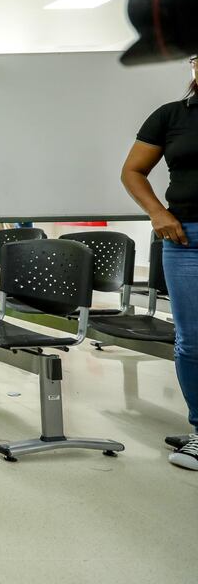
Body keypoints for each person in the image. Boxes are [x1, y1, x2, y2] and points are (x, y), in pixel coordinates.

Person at [121, 55, 198, 471]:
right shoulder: (171, 116)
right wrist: (157, 213)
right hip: (187, 239)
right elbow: (133, 171)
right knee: (192, 340)